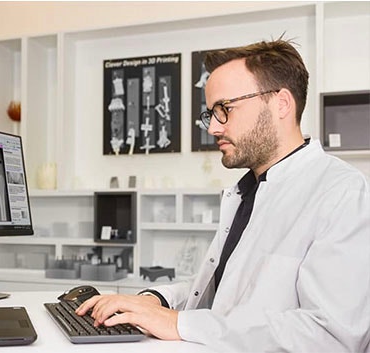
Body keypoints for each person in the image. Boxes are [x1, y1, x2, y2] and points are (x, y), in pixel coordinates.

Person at [77, 38, 370, 352]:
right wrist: (155, 301)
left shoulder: (341, 192)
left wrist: (177, 322)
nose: (213, 128)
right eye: (211, 113)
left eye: (225, 109)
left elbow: (332, 335)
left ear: (281, 103)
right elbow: (220, 291)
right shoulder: (248, 192)